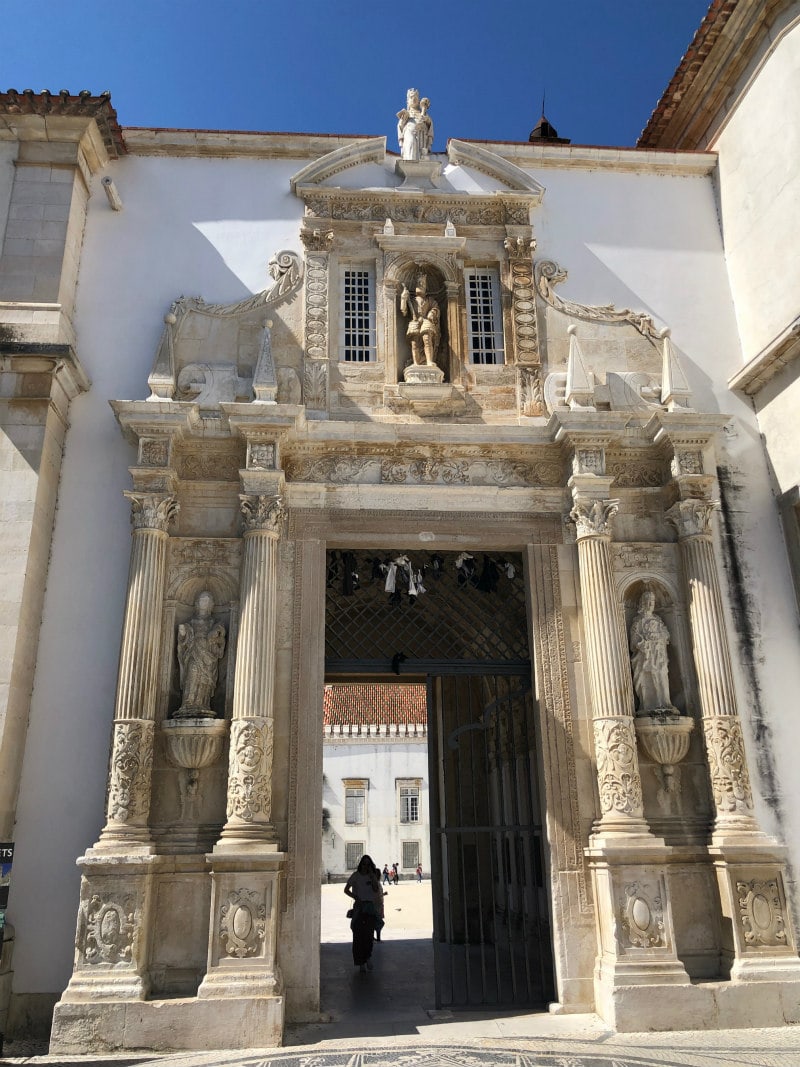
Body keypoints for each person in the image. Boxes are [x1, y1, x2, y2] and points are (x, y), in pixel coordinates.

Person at [175, 591, 226, 717]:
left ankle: (203, 704)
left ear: (211, 605)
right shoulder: (191, 621)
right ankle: (188, 703)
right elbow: (185, 638)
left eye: (208, 601)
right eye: (203, 600)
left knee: (205, 681)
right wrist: (183, 633)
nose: (205, 603)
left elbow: (220, 636)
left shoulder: (214, 622)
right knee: (192, 675)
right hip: (193, 652)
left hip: (208, 656)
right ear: (197, 603)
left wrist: (216, 634)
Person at [629, 589, 676, 713]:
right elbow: (634, 642)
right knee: (646, 679)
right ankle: (648, 705)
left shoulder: (658, 620)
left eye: (652, 601)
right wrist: (645, 643)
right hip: (645, 658)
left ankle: (665, 703)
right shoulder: (638, 622)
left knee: (661, 675)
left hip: (659, 656)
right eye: (648, 601)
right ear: (642, 603)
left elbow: (666, 636)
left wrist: (658, 639)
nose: (650, 604)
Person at [344, 854, 379, 972]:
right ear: (361, 864)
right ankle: (360, 962)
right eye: (364, 864)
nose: (366, 866)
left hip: (369, 908)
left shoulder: (372, 876)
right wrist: (355, 897)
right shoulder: (355, 876)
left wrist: (372, 877)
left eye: (368, 864)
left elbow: (376, 890)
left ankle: (368, 957)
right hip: (359, 907)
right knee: (358, 936)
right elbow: (346, 889)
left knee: (369, 935)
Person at [400, 272, 441, 366]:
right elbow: (404, 311)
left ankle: (429, 361)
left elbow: (436, 308)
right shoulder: (411, 300)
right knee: (414, 343)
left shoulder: (430, 300)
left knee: (427, 339)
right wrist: (403, 298)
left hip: (426, 321)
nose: (420, 285)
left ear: (426, 289)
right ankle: (416, 363)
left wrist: (432, 313)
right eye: (419, 283)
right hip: (414, 322)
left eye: (422, 283)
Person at [396, 88, 433, 161]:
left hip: (421, 134)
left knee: (420, 150)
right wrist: (404, 119)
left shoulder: (422, 113)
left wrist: (425, 116)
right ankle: (410, 161)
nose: (413, 100)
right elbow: (400, 126)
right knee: (411, 143)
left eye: (415, 98)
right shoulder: (406, 113)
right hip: (409, 130)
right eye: (411, 98)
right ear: (407, 101)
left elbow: (429, 123)